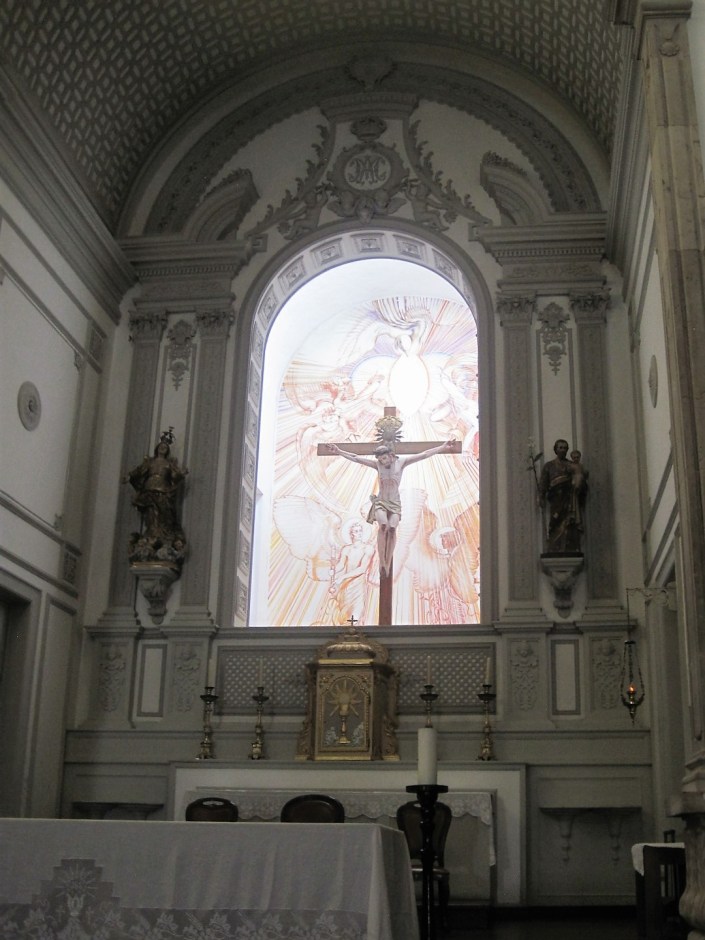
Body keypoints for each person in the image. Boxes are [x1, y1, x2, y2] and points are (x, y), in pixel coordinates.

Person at [324, 438, 457, 577]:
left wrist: (443, 447)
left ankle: (388, 561)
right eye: (380, 459)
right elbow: (356, 458)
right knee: (383, 526)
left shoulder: (402, 462)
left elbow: (424, 454)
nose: (383, 462)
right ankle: (382, 560)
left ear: (391, 455)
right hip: (381, 501)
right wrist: (338, 451)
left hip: (394, 503)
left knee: (392, 528)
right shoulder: (378, 465)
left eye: (384, 458)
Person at [125, 432, 188, 563]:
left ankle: (163, 536)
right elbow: (139, 471)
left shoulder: (169, 464)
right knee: (151, 516)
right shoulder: (150, 462)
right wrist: (129, 476)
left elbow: (174, 476)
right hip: (149, 491)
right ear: (157, 448)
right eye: (161, 446)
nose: (163, 448)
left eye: (165, 447)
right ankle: (152, 535)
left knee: (164, 515)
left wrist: (181, 474)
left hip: (163, 491)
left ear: (167, 451)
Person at [538, 439, 587, 553]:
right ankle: (554, 548)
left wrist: (580, 485)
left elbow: (580, 481)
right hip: (556, 499)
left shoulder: (572, 465)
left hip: (569, 499)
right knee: (555, 521)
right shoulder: (549, 466)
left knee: (569, 522)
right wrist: (541, 496)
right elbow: (543, 483)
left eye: (565, 448)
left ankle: (570, 547)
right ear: (555, 449)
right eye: (560, 447)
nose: (563, 450)